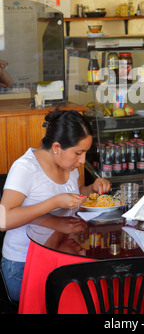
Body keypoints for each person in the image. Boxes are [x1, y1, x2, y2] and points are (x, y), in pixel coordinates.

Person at [0, 109, 111, 302]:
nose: (83, 160)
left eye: (85, 152)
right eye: (78, 153)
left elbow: (75, 196)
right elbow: (4, 219)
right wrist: (54, 202)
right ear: (57, 147)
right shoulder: (26, 168)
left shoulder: (70, 166)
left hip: (59, 253)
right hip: (23, 265)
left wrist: (91, 189)